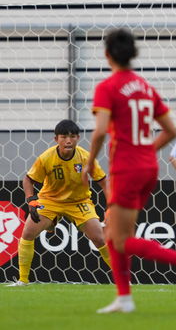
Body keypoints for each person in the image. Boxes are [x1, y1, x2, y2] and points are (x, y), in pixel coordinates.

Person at [83, 28, 176, 314]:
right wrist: (146, 151)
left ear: (107, 54)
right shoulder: (145, 86)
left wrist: (89, 164)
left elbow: (100, 131)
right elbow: (171, 130)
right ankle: (124, 298)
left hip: (126, 169)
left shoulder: (108, 87)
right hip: (148, 167)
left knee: (120, 238)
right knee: (113, 233)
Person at [8, 119, 111, 286]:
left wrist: (111, 206)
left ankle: (123, 281)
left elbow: (104, 181)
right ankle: (23, 281)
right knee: (27, 233)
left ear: (78, 138)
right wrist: (31, 200)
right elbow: (28, 180)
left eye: (72, 136)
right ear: (56, 139)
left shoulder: (86, 158)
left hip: (79, 202)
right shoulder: (46, 158)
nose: (68, 141)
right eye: (63, 137)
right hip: (50, 201)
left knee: (100, 238)